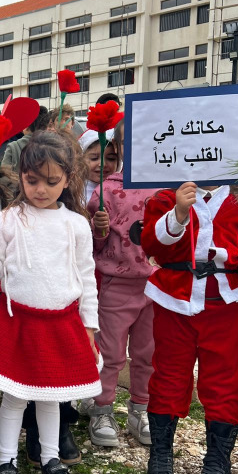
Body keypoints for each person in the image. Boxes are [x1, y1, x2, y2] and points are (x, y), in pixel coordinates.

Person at [0, 133, 101, 474]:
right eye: (33, 181)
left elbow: (87, 278)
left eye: (51, 181)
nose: (41, 189)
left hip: (61, 323)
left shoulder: (77, 225)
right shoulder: (9, 219)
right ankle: (6, 462)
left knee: (51, 397)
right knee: (15, 397)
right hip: (18, 322)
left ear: (68, 178)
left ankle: (50, 458)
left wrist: (90, 327)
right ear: (22, 177)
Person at [141, 181, 238, 474]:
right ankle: (160, 456)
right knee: (168, 375)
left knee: (225, 380)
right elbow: (151, 246)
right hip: (174, 300)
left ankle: (217, 463)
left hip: (226, 303)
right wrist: (179, 212)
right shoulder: (163, 197)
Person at [87, 142, 155, 447]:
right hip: (118, 282)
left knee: (148, 353)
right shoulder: (107, 191)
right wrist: (99, 230)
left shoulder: (165, 186)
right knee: (111, 353)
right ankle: (102, 410)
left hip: (155, 284)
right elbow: (95, 244)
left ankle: (140, 409)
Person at [1, 105, 50, 171]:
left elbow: (4, 174)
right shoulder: (54, 145)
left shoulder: (13, 147)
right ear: (46, 127)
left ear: (27, 125)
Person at [78, 129, 118, 205]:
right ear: (81, 160)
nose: (102, 164)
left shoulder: (122, 192)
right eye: (94, 158)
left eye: (111, 159)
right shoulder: (73, 191)